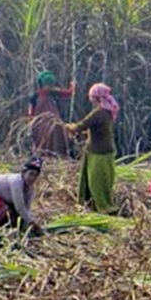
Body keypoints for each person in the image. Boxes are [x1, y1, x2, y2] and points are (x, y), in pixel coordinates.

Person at [66, 83, 119, 214]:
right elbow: (96, 129)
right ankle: (99, 204)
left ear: (96, 99)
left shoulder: (98, 113)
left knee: (96, 181)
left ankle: (102, 207)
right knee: (105, 180)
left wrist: (69, 127)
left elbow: (81, 126)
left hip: (98, 152)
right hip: (107, 150)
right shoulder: (107, 112)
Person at [28, 71, 75, 157]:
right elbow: (31, 111)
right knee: (42, 138)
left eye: (51, 86)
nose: (50, 88)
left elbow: (69, 93)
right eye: (48, 86)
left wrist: (72, 85)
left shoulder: (53, 92)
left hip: (54, 120)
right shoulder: (34, 97)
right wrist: (32, 121)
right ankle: (42, 155)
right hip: (40, 122)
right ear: (42, 84)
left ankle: (57, 154)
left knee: (58, 134)